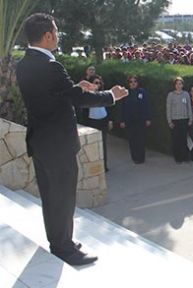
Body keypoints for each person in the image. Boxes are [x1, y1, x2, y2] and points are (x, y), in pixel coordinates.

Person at [16, 13, 128, 266]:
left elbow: (54, 95)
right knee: (64, 197)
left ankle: (59, 240)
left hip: (40, 142)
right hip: (58, 145)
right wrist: (111, 95)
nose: (58, 35)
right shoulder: (50, 66)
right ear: (47, 35)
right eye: (56, 31)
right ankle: (64, 247)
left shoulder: (24, 64)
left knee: (50, 197)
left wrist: (75, 87)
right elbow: (76, 100)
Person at [120, 75, 151, 164]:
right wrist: (122, 120)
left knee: (141, 139)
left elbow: (147, 105)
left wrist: (148, 118)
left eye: (135, 81)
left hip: (141, 120)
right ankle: (135, 157)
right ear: (128, 84)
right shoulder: (125, 93)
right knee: (132, 140)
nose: (133, 83)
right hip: (129, 121)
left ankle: (141, 158)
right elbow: (122, 107)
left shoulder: (142, 92)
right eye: (131, 82)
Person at [85, 74, 113, 171]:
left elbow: (109, 107)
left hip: (103, 120)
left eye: (99, 83)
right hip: (92, 121)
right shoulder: (86, 95)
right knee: (94, 145)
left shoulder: (103, 94)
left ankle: (104, 166)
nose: (98, 85)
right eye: (95, 83)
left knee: (103, 144)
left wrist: (110, 120)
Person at [166, 77, 192, 163]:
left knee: (184, 139)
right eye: (177, 84)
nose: (178, 85)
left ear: (182, 85)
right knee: (176, 140)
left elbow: (189, 107)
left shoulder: (186, 94)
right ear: (174, 85)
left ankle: (185, 157)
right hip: (175, 120)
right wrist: (169, 121)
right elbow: (168, 109)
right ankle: (178, 158)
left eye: (180, 84)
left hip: (184, 119)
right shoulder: (171, 95)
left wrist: (190, 119)